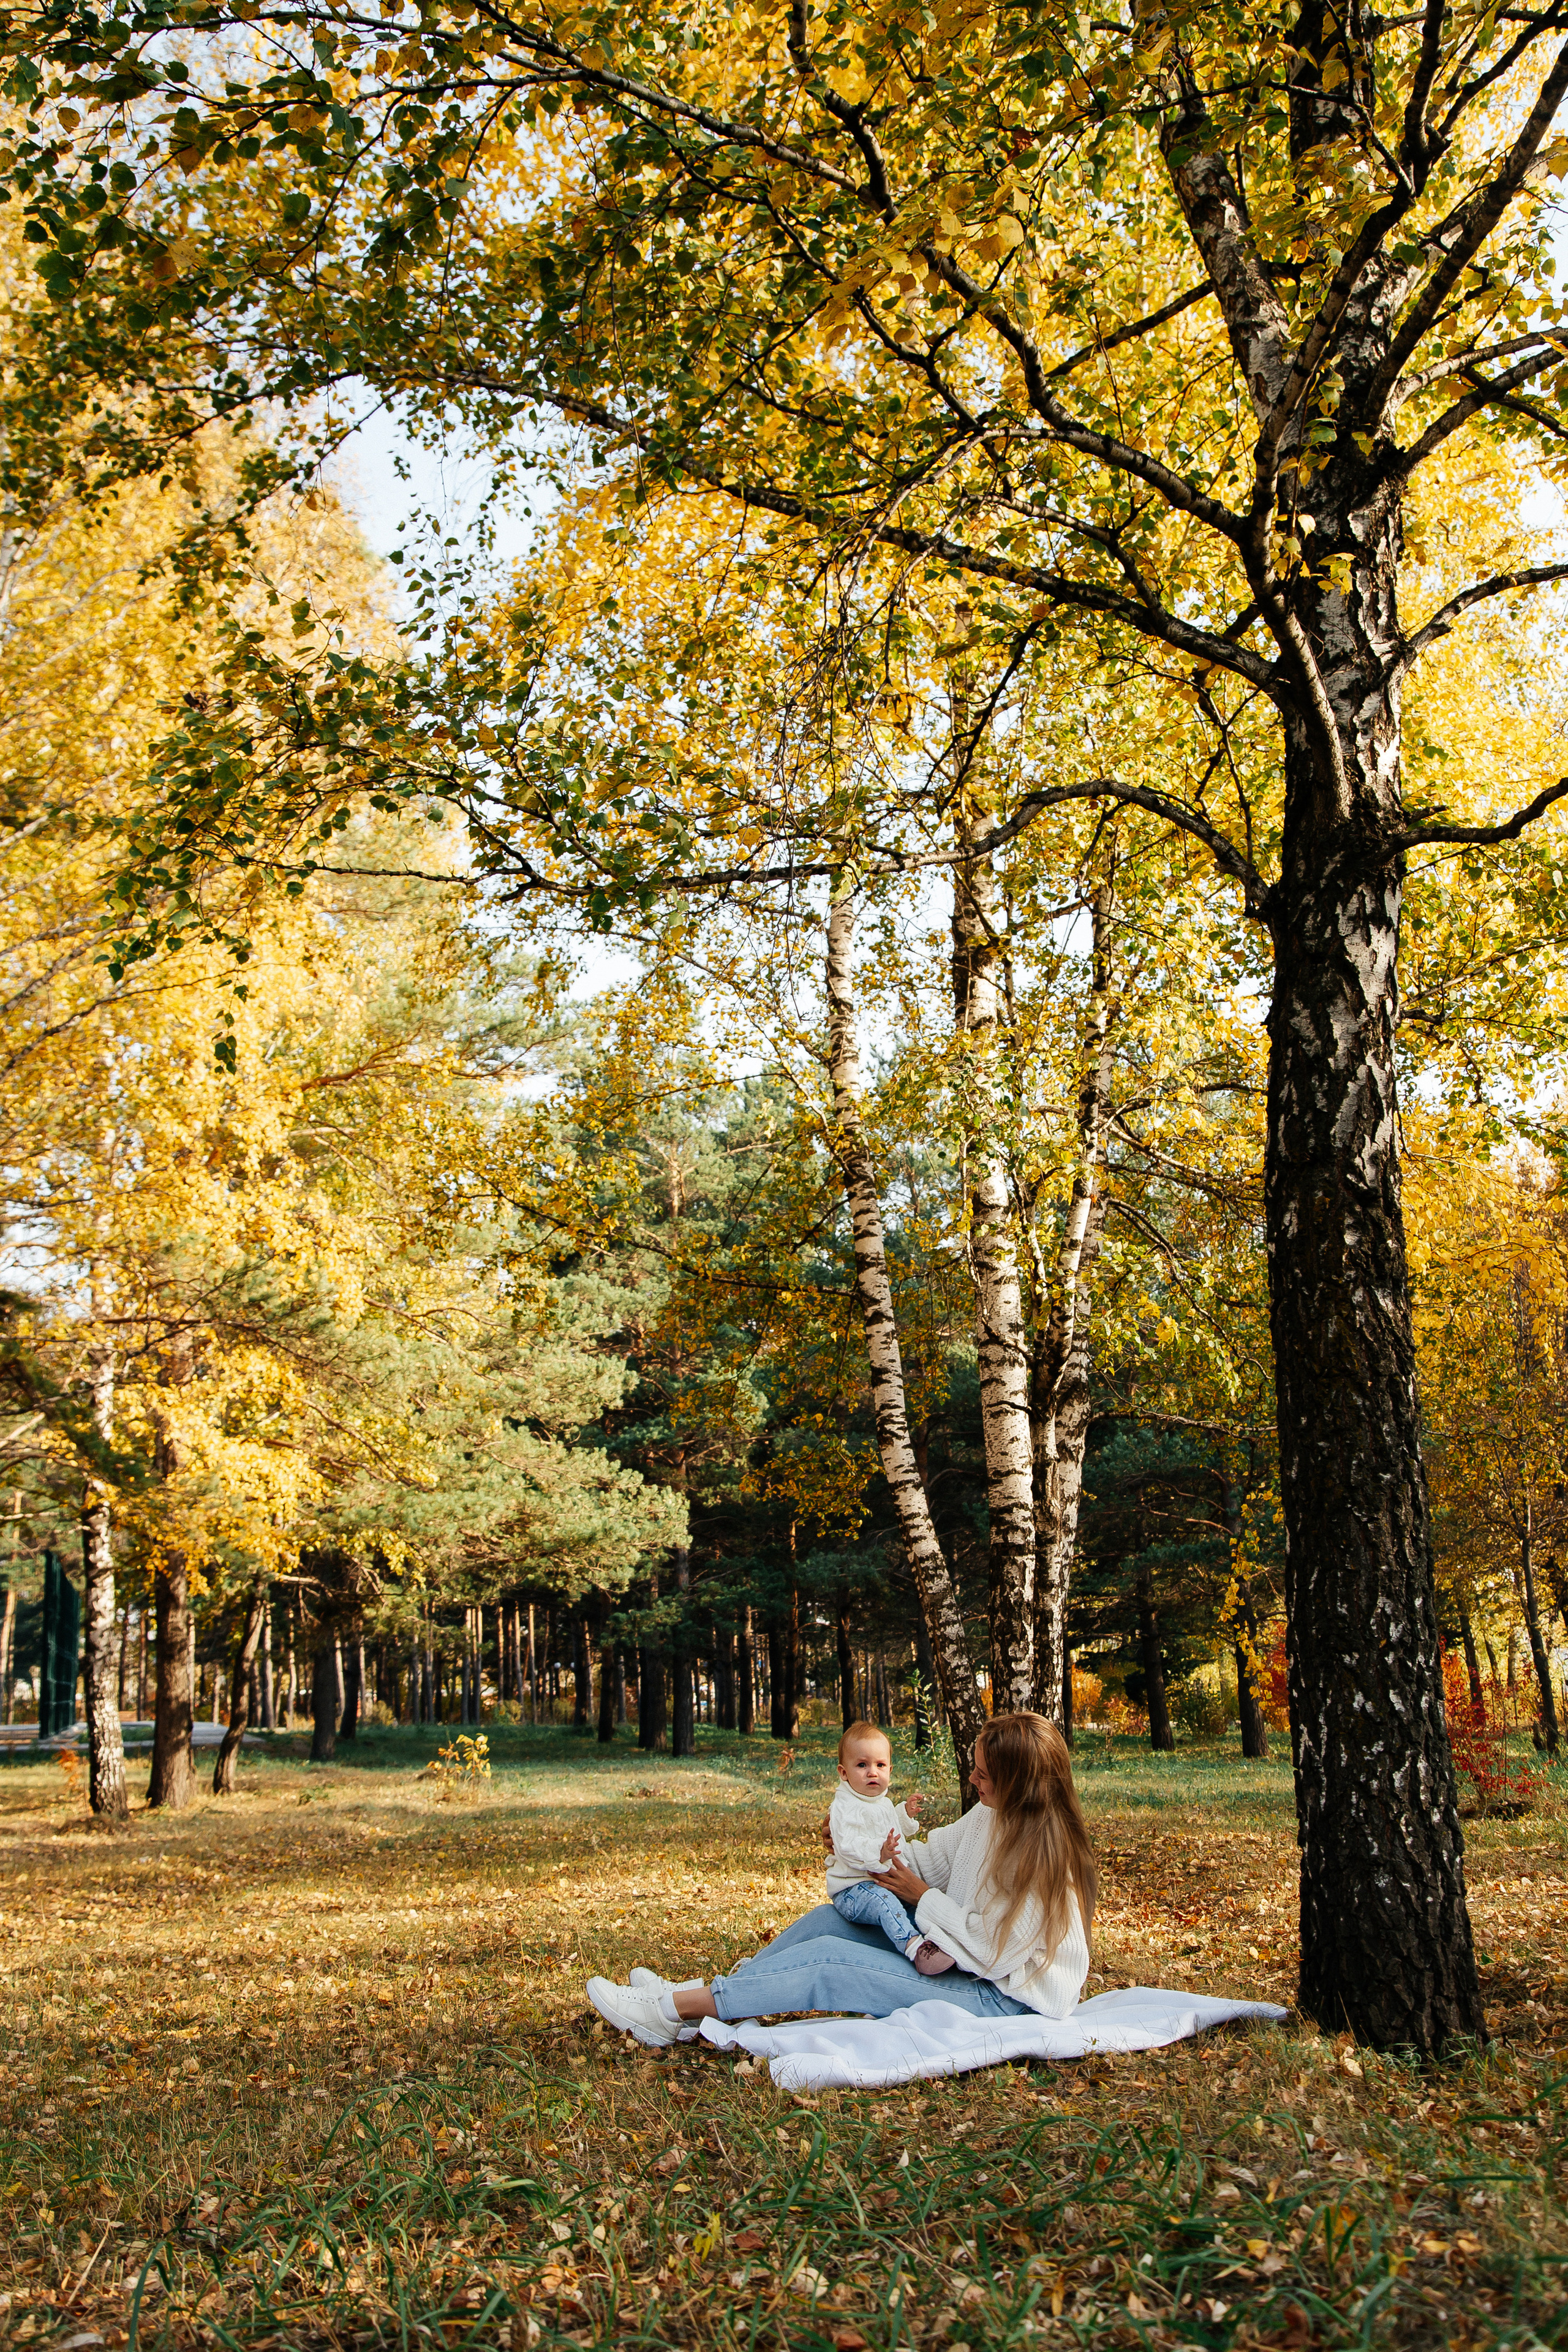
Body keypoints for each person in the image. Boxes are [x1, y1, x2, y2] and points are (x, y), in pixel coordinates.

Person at [586, 1710, 1096, 2048]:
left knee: (829, 1964)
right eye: (976, 1769)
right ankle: (717, 2001)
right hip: (961, 1960)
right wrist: (865, 1847)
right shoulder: (991, 1816)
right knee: (829, 1923)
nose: (973, 1779)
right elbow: (925, 1862)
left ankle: (668, 2011)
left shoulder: (1047, 1862)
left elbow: (994, 1949)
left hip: (1002, 1999)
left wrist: (926, 1901)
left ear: (1018, 1782)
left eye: (984, 1774)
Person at [826, 1717, 956, 1974]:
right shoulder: (844, 1806)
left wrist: (904, 1814)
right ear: (844, 1772)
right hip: (854, 1889)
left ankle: (934, 1940)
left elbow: (892, 1831)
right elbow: (847, 1846)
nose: (872, 1772)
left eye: (880, 1765)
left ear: (890, 1770)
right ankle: (915, 1948)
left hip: (880, 1880)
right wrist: (879, 1852)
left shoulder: (881, 1802)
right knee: (885, 1902)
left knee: (908, 1904)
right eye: (862, 1765)